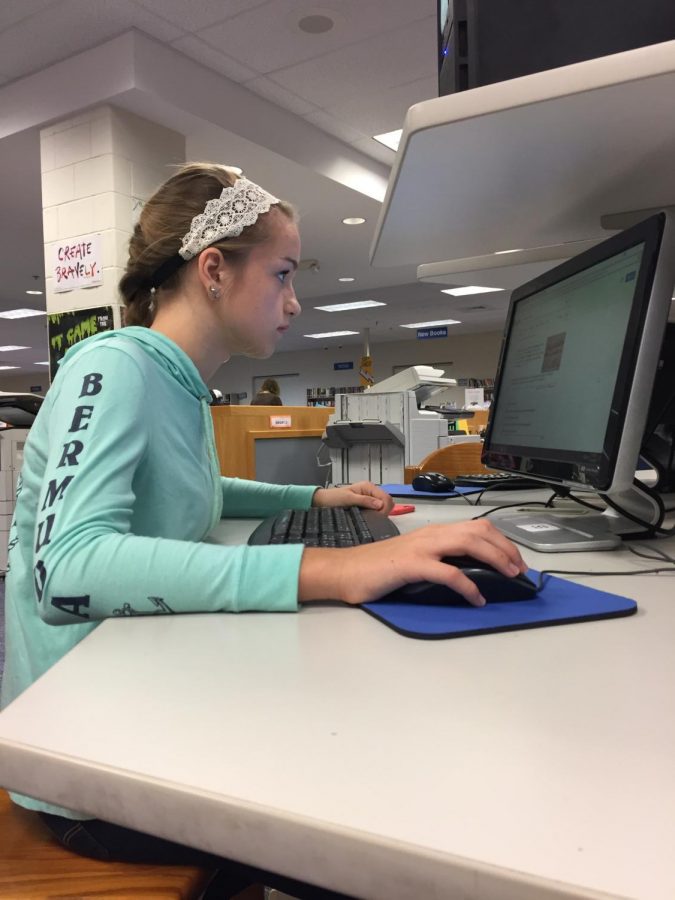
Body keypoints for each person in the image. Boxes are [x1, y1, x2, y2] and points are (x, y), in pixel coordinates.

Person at [0, 162, 527, 898]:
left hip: (132, 692)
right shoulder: (113, 365)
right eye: (281, 274)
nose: (293, 300)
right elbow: (71, 567)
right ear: (213, 269)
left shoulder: (178, 384)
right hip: (84, 761)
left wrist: (315, 492)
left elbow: (194, 489)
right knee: (375, 802)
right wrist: (329, 570)